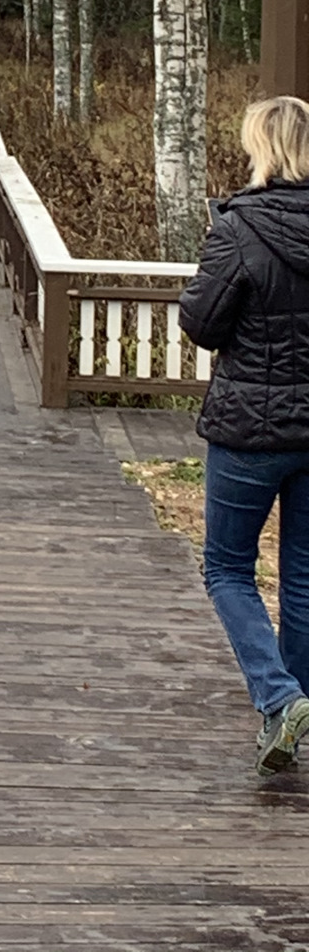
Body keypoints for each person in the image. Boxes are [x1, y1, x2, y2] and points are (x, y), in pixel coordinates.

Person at [178, 95, 309, 775]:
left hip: (249, 430)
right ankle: (291, 706)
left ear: (262, 147)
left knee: (227, 568)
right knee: (305, 575)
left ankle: (279, 696)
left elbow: (201, 324)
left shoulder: (239, 228)